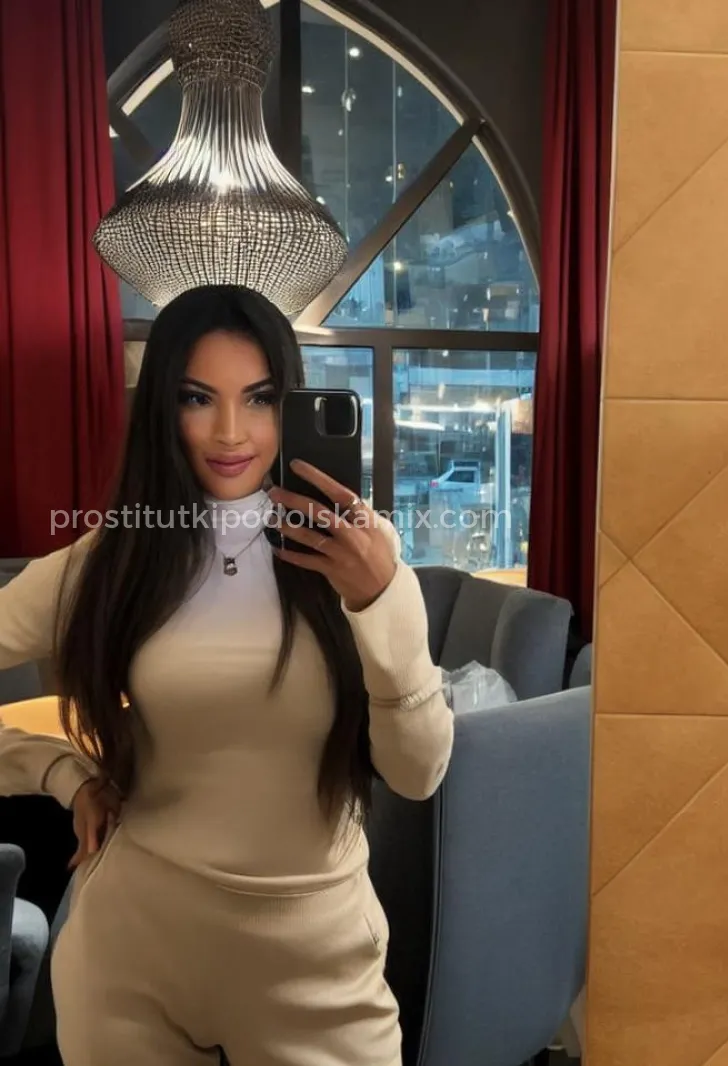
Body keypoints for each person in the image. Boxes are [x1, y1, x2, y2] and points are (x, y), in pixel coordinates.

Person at [0, 284, 454, 1066]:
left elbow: (417, 775)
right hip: (132, 953)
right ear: (162, 410)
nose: (231, 432)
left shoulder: (363, 559)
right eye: (197, 398)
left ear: (292, 403)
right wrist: (58, 772)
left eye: (260, 398)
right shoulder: (115, 558)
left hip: (318, 966)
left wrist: (379, 601)